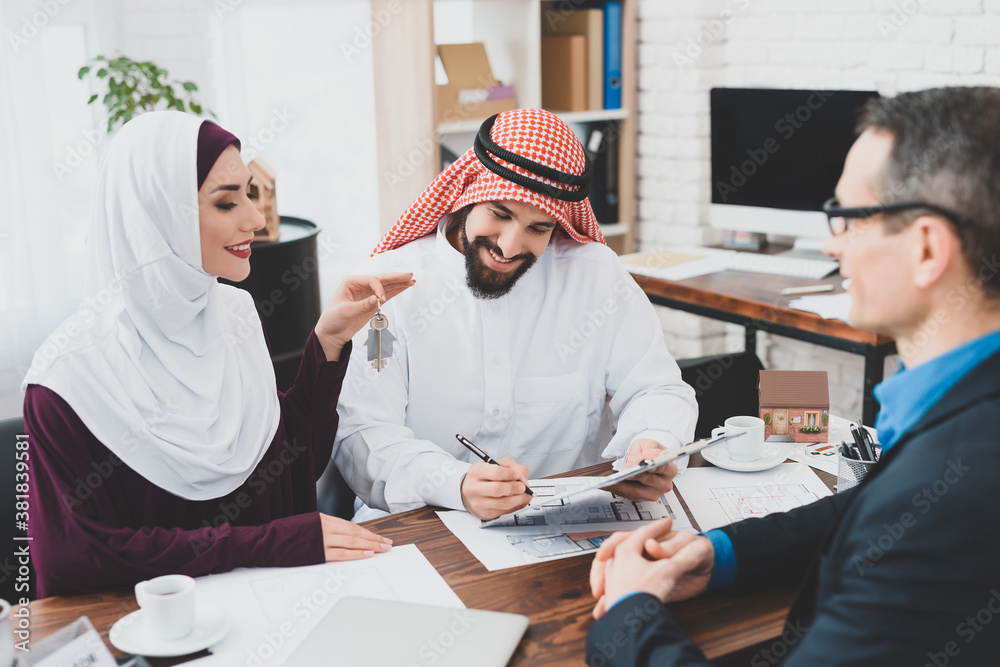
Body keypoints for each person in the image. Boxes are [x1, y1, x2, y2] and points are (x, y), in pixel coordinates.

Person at [586, 86, 1000, 666]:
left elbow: (908, 519)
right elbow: (873, 507)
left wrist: (629, 615)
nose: (832, 245)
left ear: (927, 248)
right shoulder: (962, 412)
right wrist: (718, 552)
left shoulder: (953, 492)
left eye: (846, 218)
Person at [22, 111, 414, 597]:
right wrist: (264, 544)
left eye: (249, 193)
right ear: (156, 216)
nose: (255, 218)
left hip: (265, 607)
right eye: (227, 202)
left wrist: (327, 344)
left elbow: (288, 468)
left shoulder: (234, 314)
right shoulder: (69, 378)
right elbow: (74, 558)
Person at [333, 108, 697, 521]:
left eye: (538, 229)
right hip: (423, 523)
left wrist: (651, 441)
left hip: (573, 527)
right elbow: (363, 434)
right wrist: (454, 483)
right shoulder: (386, 290)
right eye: (499, 214)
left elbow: (658, 389)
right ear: (467, 191)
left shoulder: (594, 276)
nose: (509, 246)